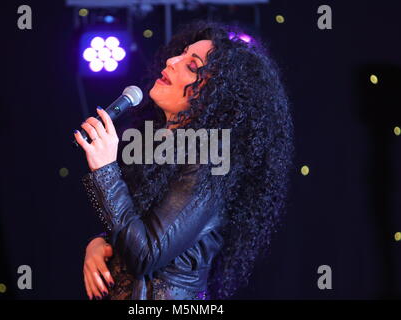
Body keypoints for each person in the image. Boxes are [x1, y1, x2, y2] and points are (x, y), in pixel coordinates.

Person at [74, 20, 295, 300]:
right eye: (182, 53)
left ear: (215, 98)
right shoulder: (155, 146)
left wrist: (105, 171)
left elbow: (145, 255)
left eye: (192, 66)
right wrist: (101, 243)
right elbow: (134, 226)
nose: (172, 60)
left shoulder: (210, 163)